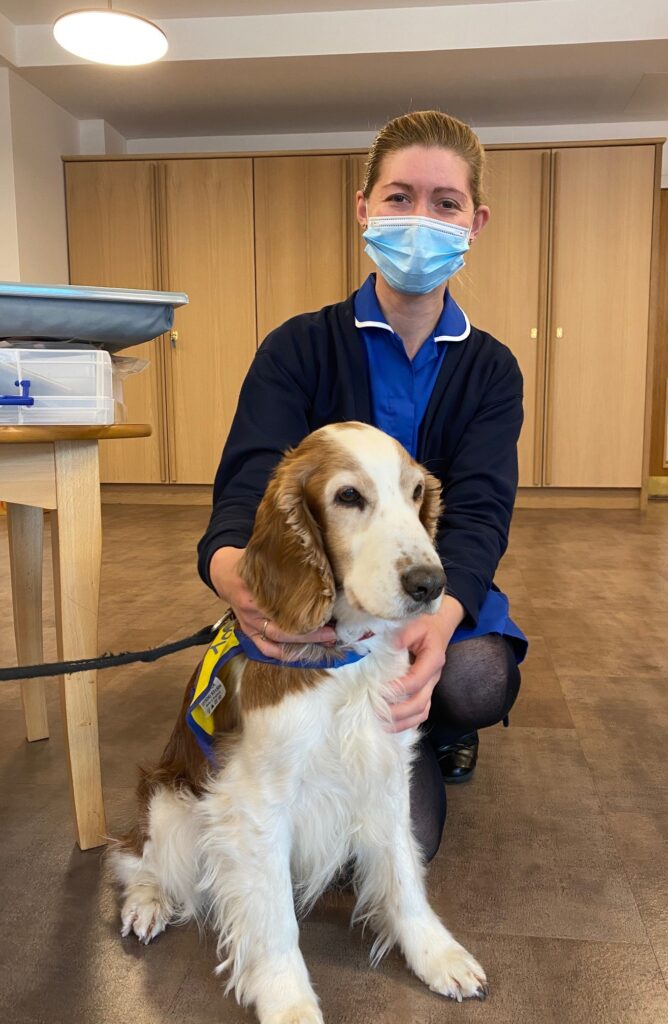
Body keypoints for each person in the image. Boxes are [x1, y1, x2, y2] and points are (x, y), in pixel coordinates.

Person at [197, 110, 527, 861]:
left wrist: (437, 626)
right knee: (369, 845)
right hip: (332, 606)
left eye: (444, 204)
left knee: (477, 679)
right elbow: (246, 484)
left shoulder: (491, 369)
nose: (420, 219)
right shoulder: (298, 348)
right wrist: (234, 577)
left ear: (474, 222)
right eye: (399, 196)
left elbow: (479, 514)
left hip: (426, 588)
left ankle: (430, 720)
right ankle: (334, 732)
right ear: (363, 209)